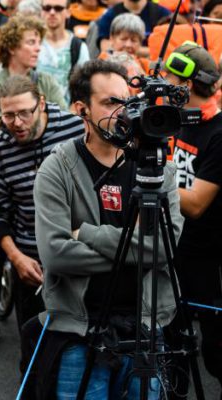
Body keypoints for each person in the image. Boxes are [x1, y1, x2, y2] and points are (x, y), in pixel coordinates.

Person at [34, 60, 180, 399]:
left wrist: (86, 234)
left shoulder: (159, 170)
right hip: (80, 330)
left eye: (127, 102)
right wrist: (140, 251)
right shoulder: (58, 168)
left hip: (146, 327)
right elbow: (56, 255)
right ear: (81, 109)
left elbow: (166, 250)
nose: (123, 112)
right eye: (110, 103)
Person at [0, 75, 84, 368]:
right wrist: (16, 258)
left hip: (82, 254)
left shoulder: (74, 129)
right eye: (8, 115)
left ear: (41, 104)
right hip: (31, 263)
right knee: (35, 354)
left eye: (24, 112)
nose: (16, 122)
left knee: (78, 350)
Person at [163, 43, 222, 392]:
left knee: (216, 353)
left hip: (209, 260)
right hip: (177, 251)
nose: (166, 84)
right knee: (173, 351)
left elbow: (197, 202)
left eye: (171, 78)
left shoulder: (217, 133)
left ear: (187, 84)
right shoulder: (179, 121)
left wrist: (154, 177)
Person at [0, 15, 66, 116]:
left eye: (39, 43)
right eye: (31, 42)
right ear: (12, 48)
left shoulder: (46, 82)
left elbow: (63, 118)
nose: (38, 48)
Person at [37, 0, 90, 101]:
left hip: (67, 114)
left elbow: (83, 87)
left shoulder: (78, 47)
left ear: (68, 12)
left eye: (58, 8)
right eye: (47, 8)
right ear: (41, 12)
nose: (52, 12)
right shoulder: (31, 44)